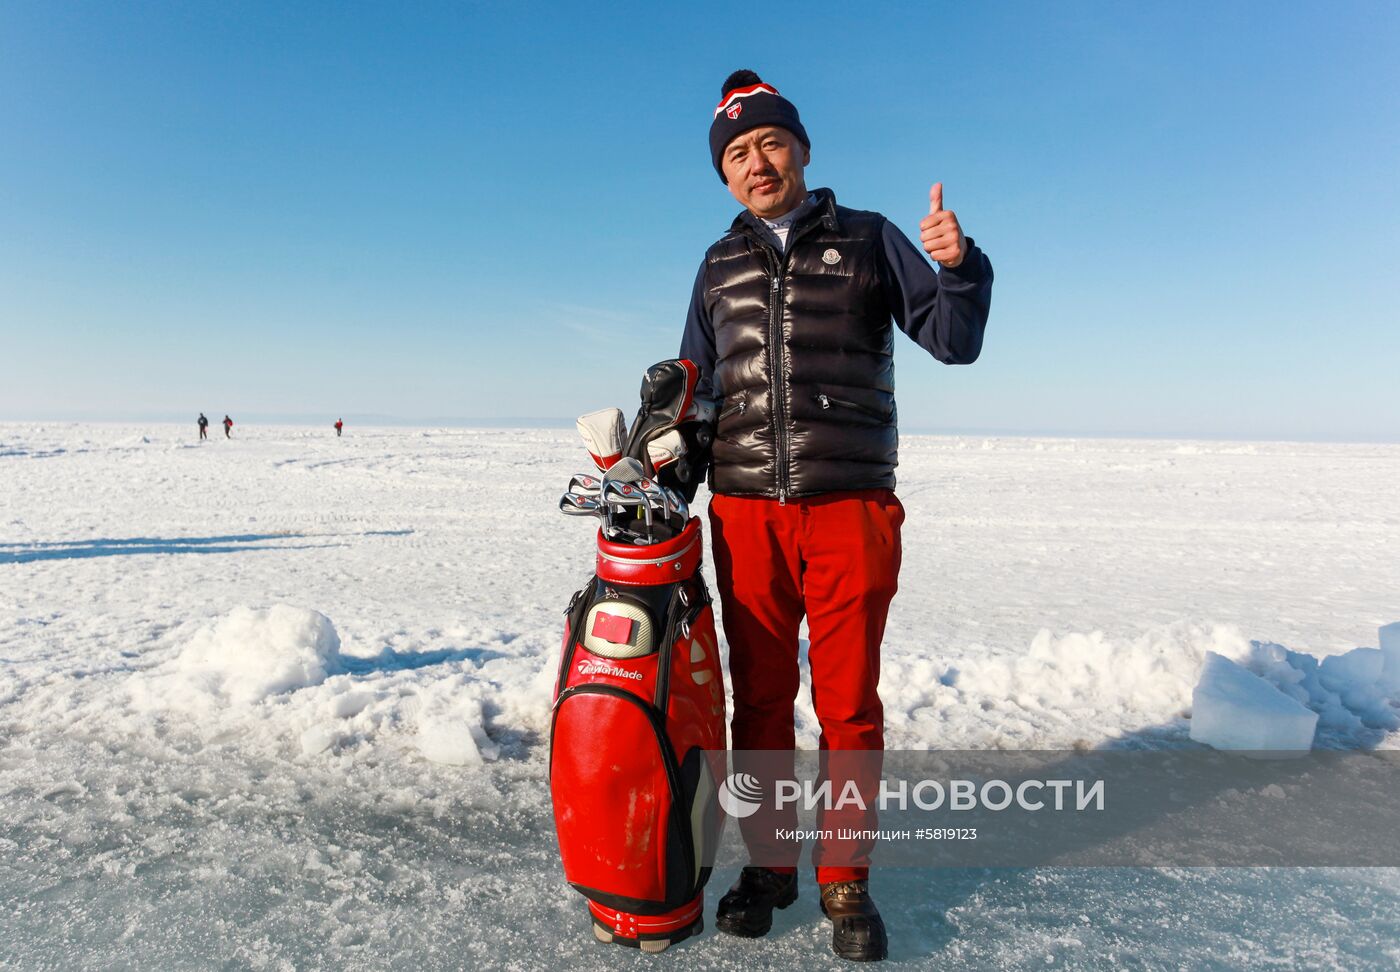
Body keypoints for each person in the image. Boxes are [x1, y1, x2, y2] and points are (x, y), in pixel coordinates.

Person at [679, 70, 993, 962]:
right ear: (725, 175)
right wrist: (669, 472)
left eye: (769, 142)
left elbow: (953, 338)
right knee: (764, 701)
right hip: (746, 513)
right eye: (736, 154)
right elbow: (696, 395)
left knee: (849, 702)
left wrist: (958, 269)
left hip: (850, 506)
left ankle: (845, 875)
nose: (756, 161)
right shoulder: (718, 264)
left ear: (802, 149)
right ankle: (772, 866)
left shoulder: (866, 239)